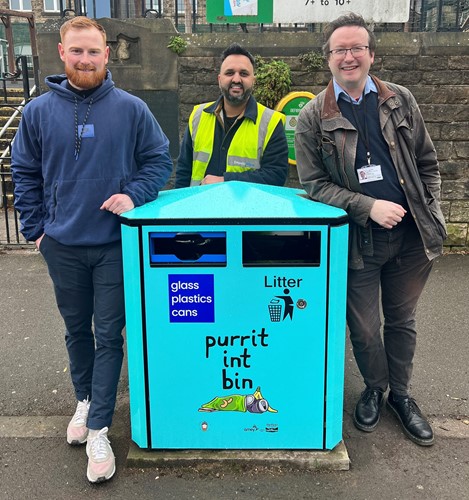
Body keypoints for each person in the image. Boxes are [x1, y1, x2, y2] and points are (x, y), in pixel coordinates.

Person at [11, 17, 172, 482]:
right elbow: (23, 172)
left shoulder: (132, 109)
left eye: (94, 52)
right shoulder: (39, 112)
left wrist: (134, 195)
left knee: (109, 334)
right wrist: (37, 231)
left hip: (112, 245)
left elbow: (159, 160)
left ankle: (99, 425)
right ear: (62, 52)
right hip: (61, 244)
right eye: (77, 51)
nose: (85, 60)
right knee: (76, 329)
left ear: (107, 54)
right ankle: (84, 399)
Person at [295, 13, 446, 446]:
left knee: (402, 319)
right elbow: (314, 185)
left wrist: (430, 211)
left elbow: (428, 162)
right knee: (362, 327)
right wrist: (368, 207)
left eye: (356, 47)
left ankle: (401, 396)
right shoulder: (312, 117)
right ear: (327, 58)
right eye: (339, 49)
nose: (349, 56)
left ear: (371, 54)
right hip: (358, 240)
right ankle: (374, 388)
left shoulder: (400, 99)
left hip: (412, 238)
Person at [175, 42, 289, 188]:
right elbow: (183, 172)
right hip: (201, 208)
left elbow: (276, 176)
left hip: (247, 210)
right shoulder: (198, 116)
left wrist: (225, 180)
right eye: (229, 73)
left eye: (244, 73)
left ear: (253, 81)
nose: (236, 79)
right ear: (219, 79)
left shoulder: (271, 123)